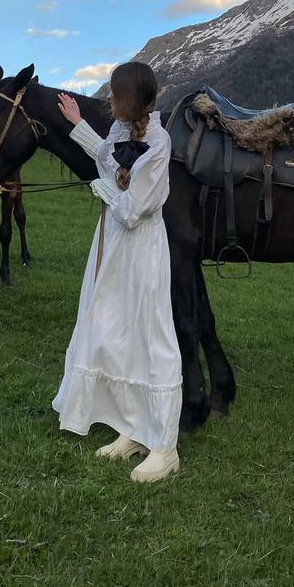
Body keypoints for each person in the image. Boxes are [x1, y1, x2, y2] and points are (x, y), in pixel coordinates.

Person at [53, 62, 182, 483]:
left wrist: (104, 188)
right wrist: (77, 124)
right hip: (112, 244)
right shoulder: (121, 133)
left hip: (140, 245)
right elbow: (108, 159)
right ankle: (134, 427)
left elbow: (133, 208)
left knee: (149, 334)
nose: (107, 98)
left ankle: (165, 446)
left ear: (130, 97)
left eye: (113, 92)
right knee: (115, 329)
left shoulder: (159, 141)